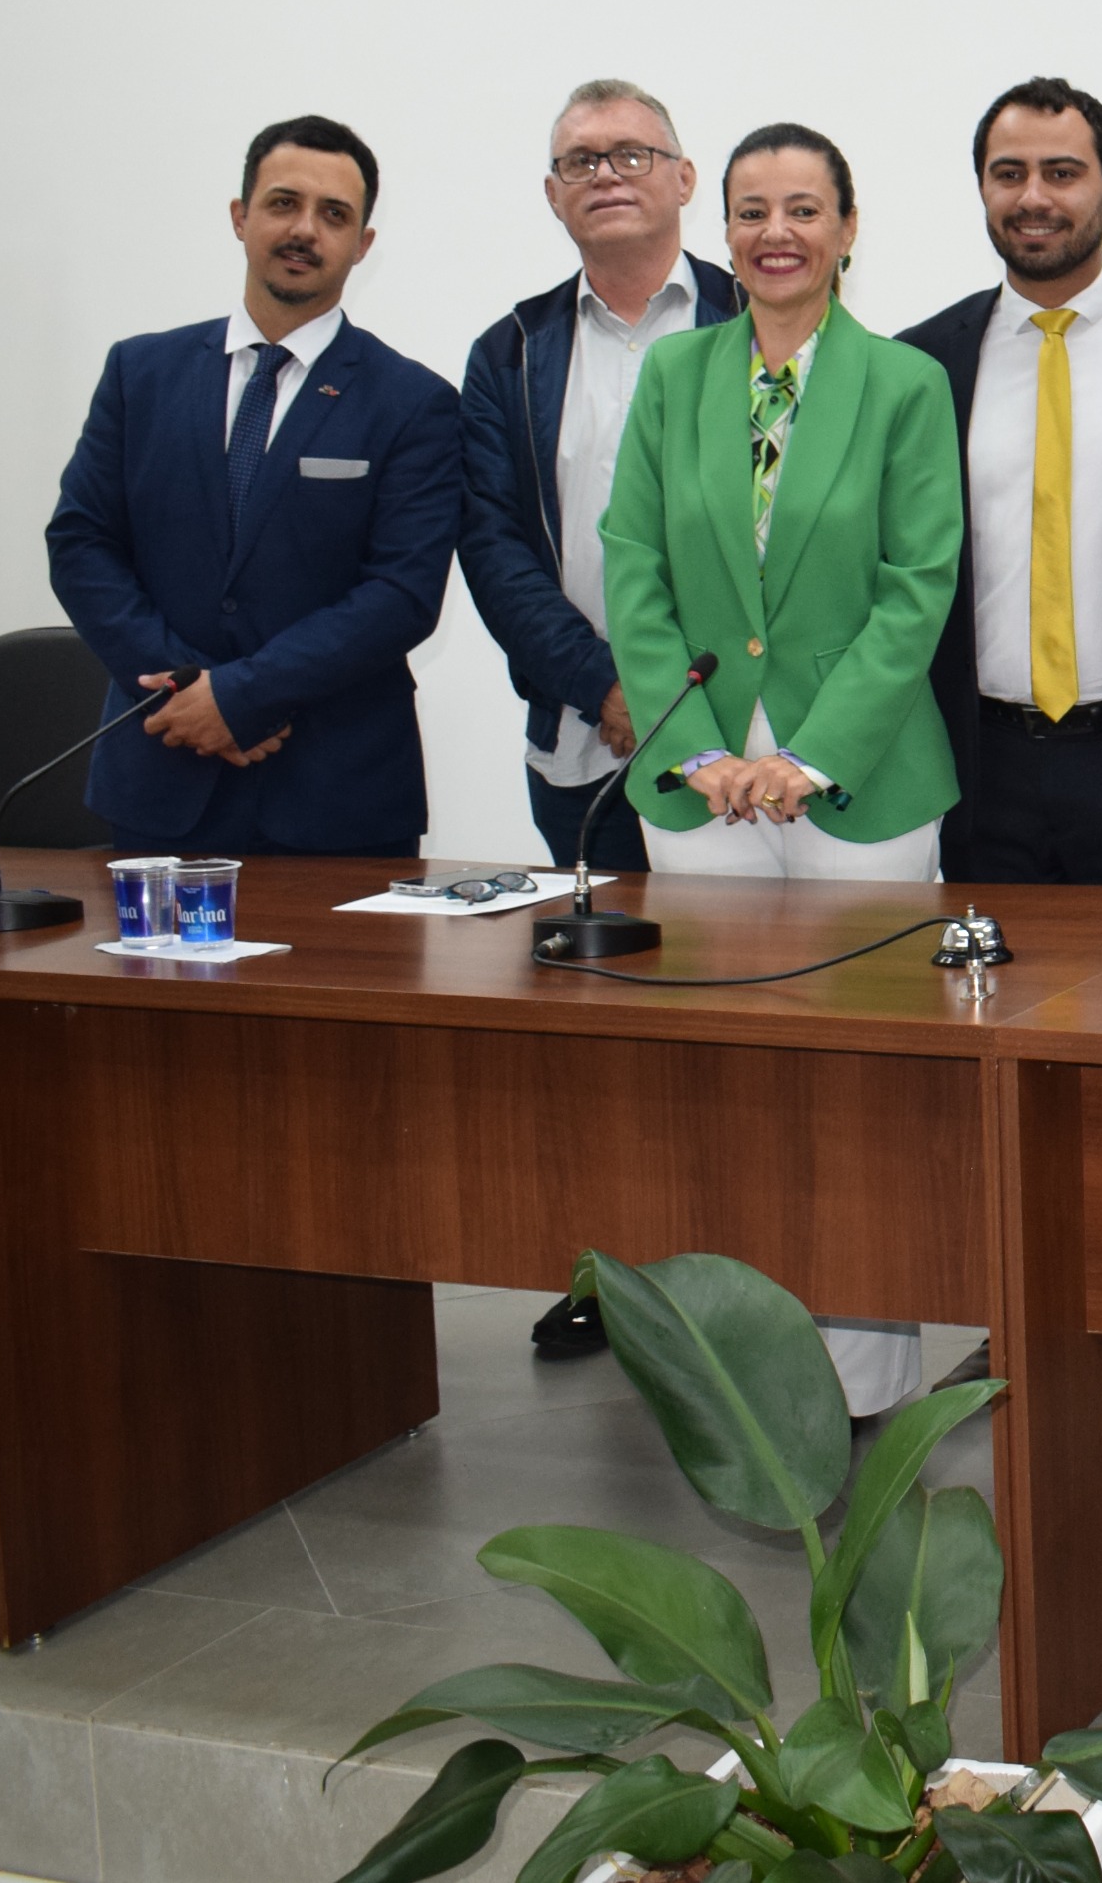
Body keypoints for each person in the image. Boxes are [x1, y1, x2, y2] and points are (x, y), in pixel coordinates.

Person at [601, 122, 964, 1419]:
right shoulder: (674, 376)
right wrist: (696, 743)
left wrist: (811, 754)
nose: (776, 232)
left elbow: (920, 584)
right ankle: (730, 1374)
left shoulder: (905, 383)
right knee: (724, 1082)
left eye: (803, 207)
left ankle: (860, 1387)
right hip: (697, 787)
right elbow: (631, 561)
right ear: (726, 226)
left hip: (857, 784)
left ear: (848, 227)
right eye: (753, 208)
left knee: (859, 1081)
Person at [454, 80, 743, 1365]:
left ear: (685, 179)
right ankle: (616, 1275)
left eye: (633, 153)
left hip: (748, 747)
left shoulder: (774, 311)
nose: (606, 172)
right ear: (554, 193)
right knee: (604, 1025)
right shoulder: (511, 352)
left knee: (742, 1018)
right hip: (587, 740)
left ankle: (755, 1275)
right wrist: (602, 686)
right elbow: (497, 547)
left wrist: (698, 703)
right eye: (579, 159)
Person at [47, 116, 462, 862]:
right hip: (162, 774)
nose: (305, 229)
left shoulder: (414, 402)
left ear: (363, 244)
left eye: (334, 214)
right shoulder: (139, 374)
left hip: (339, 802)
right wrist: (184, 694)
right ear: (240, 217)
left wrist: (239, 698)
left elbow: (402, 593)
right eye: (282, 203)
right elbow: (81, 544)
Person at [895, 78, 1102, 885]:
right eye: (1009, 173)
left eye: (1063, 172)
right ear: (982, 189)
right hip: (979, 767)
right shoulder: (924, 360)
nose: (1033, 196)